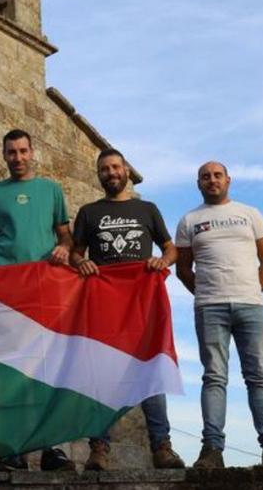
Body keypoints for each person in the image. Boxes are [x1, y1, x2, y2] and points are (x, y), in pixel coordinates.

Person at [173, 162, 263, 469]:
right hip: (209, 307)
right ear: (198, 183)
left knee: (258, 375)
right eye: (206, 176)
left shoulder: (250, 213)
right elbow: (182, 269)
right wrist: (206, 294)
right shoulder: (189, 220)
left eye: (217, 175)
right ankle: (212, 450)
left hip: (250, 306)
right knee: (214, 376)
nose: (212, 180)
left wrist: (252, 292)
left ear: (228, 180)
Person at [69, 149, 185, 471]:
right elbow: (75, 254)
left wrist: (163, 261)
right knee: (101, 375)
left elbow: (171, 248)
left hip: (141, 304)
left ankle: (161, 447)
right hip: (103, 305)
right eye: (104, 169)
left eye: (115, 167)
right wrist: (82, 262)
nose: (110, 173)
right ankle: (99, 449)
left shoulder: (147, 209)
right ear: (99, 174)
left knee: (151, 371)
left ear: (126, 172)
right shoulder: (89, 212)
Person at [0, 129, 76, 472]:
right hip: (7, 292)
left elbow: (65, 235)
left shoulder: (51, 190)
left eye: (22, 151)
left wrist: (66, 248)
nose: (17, 157)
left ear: (33, 153)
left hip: (45, 290)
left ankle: (53, 449)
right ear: (4, 155)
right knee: (12, 369)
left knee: (48, 367)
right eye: (11, 152)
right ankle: (13, 450)